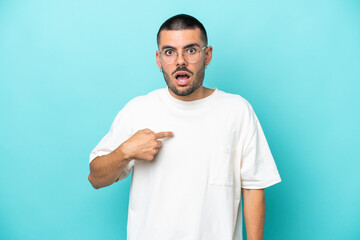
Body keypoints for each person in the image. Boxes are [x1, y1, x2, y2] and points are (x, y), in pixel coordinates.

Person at [88, 14, 281, 240]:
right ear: (159, 59)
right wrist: (125, 151)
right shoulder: (138, 110)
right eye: (170, 52)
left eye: (191, 50)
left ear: (207, 55)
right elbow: (96, 178)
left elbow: (253, 187)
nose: (180, 61)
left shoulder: (237, 111)